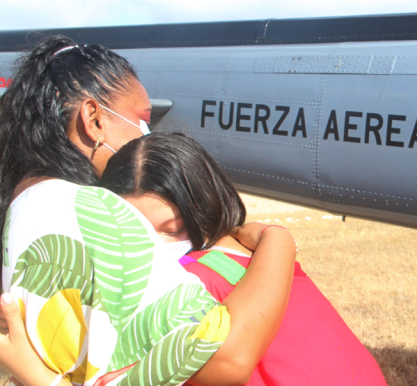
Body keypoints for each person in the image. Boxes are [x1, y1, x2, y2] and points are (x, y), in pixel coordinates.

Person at [0, 37, 296, 386]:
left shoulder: (28, 203)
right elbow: (226, 357)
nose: (147, 135)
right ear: (94, 119)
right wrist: (278, 240)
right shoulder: (90, 211)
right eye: (142, 119)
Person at [99, 132, 388, 386]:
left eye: (174, 230)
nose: (155, 244)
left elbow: (230, 362)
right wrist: (277, 236)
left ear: (201, 208)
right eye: (136, 231)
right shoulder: (258, 255)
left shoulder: (184, 282)